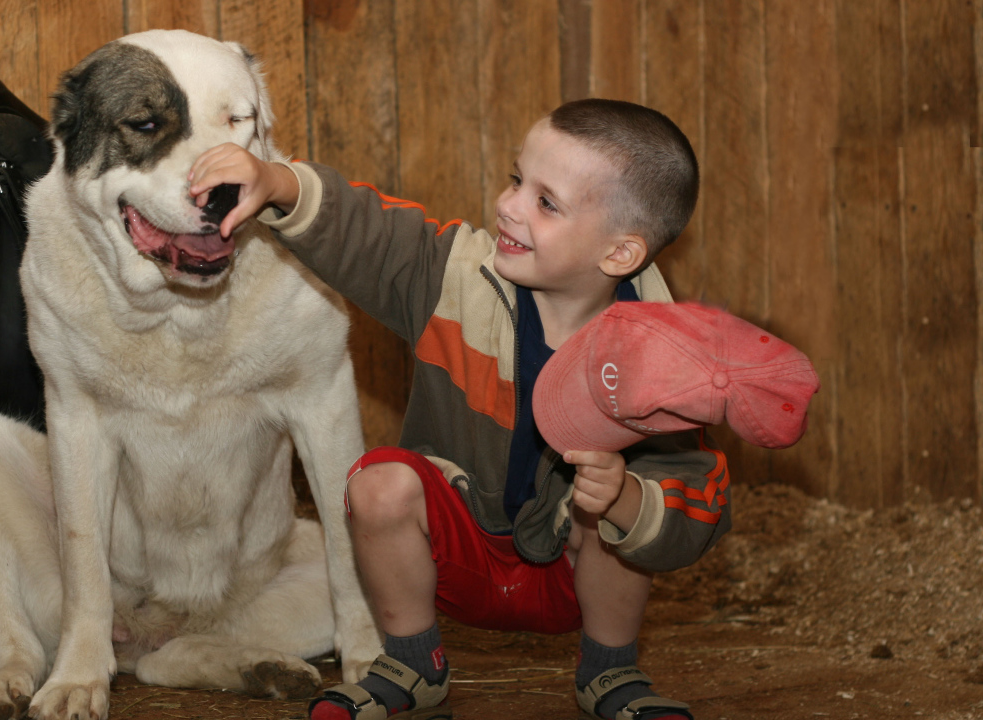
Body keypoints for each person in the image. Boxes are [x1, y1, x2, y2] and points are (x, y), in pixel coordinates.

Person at [189, 98, 722, 720]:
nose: (508, 205)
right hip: (459, 557)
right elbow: (371, 235)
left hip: (576, 574)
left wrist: (626, 497)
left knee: (605, 508)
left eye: (545, 203)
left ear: (620, 255)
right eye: (517, 179)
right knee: (378, 482)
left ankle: (611, 675)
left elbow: (697, 498)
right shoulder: (455, 279)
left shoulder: (661, 364)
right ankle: (414, 667)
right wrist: (277, 182)